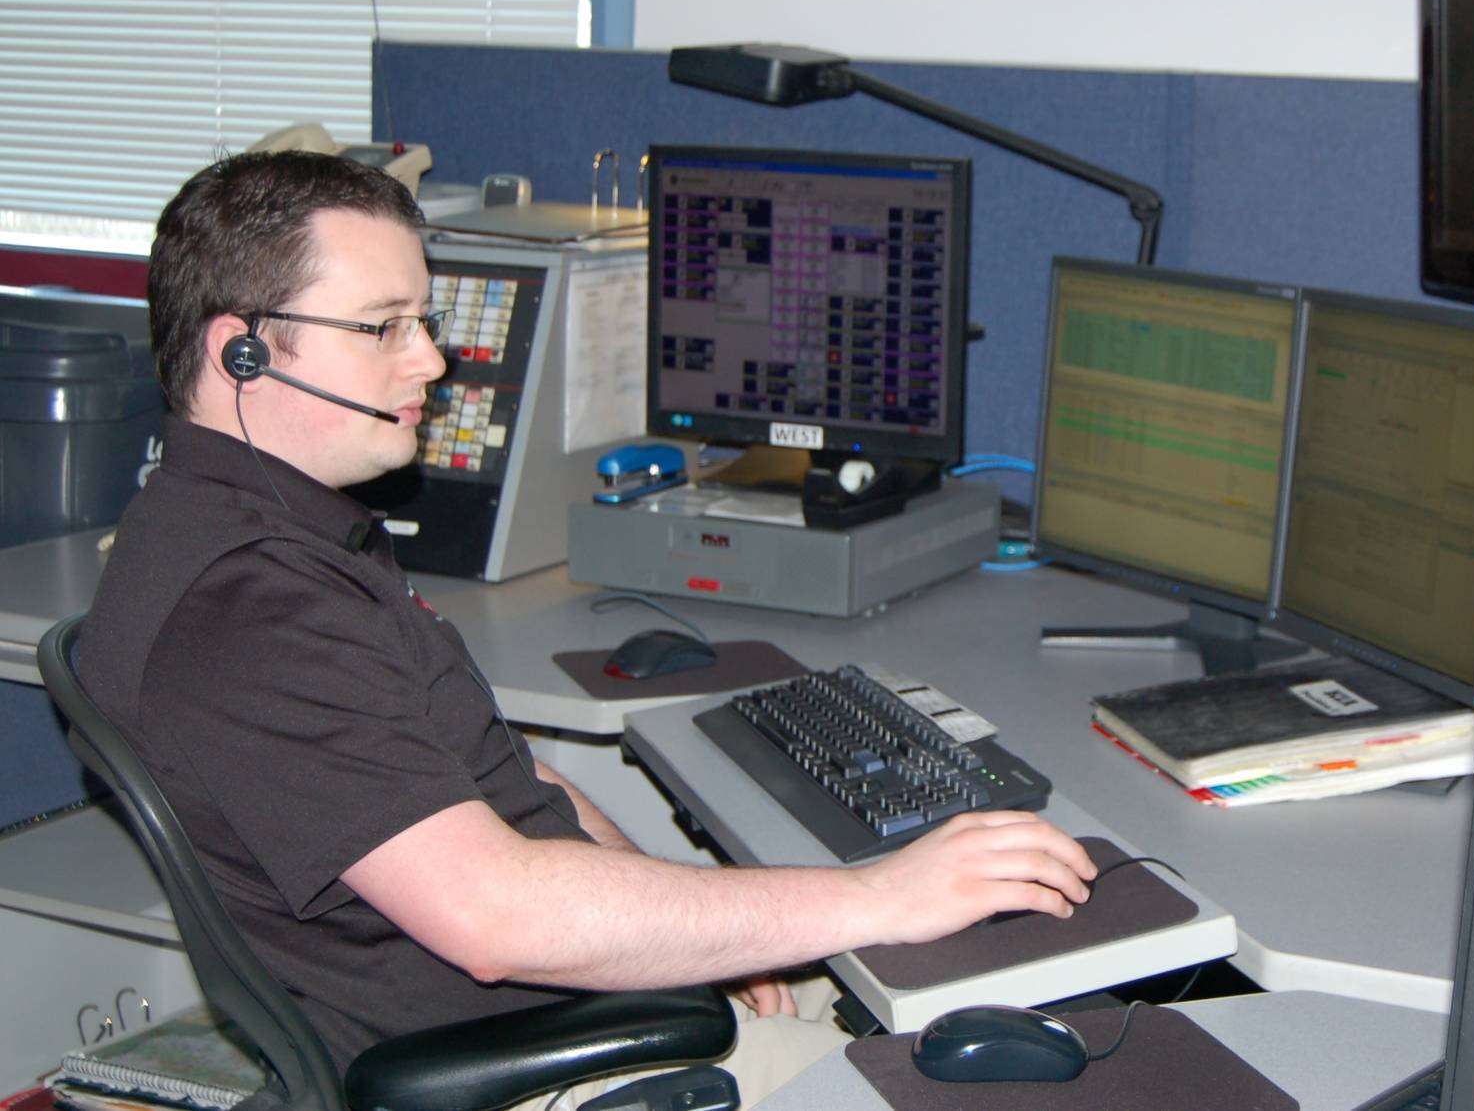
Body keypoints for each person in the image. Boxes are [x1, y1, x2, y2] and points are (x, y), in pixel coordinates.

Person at [77, 150, 1098, 1107]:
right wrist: (872, 897)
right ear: (242, 353)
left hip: (589, 1002)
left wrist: (700, 929)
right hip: (547, 1073)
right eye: (383, 326)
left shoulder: (263, 525)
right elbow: (498, 917)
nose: (431, 361)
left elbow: (508, 779)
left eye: (423, 320)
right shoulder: (250, 612)